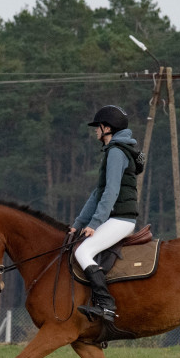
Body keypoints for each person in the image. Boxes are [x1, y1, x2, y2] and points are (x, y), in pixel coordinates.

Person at [69, 105, 141, 323]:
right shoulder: (114, 151)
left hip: (121, 219)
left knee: (82, 252)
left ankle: (106, 305)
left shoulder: (117, 152)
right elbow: (97, 193)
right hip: (116, 218)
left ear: (107, 128)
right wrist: (79, 223)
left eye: (97, 127)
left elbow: (111, 192)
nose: (95, 131)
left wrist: (95, 223)